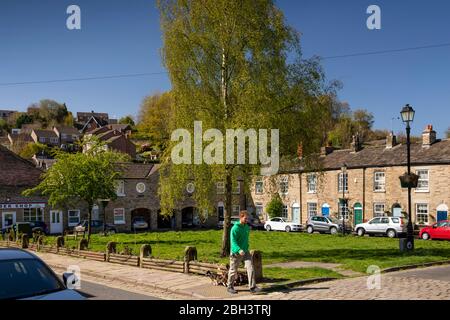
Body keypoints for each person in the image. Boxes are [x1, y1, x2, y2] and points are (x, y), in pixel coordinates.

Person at [227, 210, 261, 294]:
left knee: (250, 268)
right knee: (233, 270)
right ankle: (229, 286)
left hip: (245, 251)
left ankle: (252, 287)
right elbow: (233, 242)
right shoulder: (235, 228)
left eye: (247, 218)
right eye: (245, 218)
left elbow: (245, 239)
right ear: (241, 217)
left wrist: (245, 248)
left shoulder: (246, 227)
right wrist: (239, 250)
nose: (247, 220)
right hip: (236, 252)